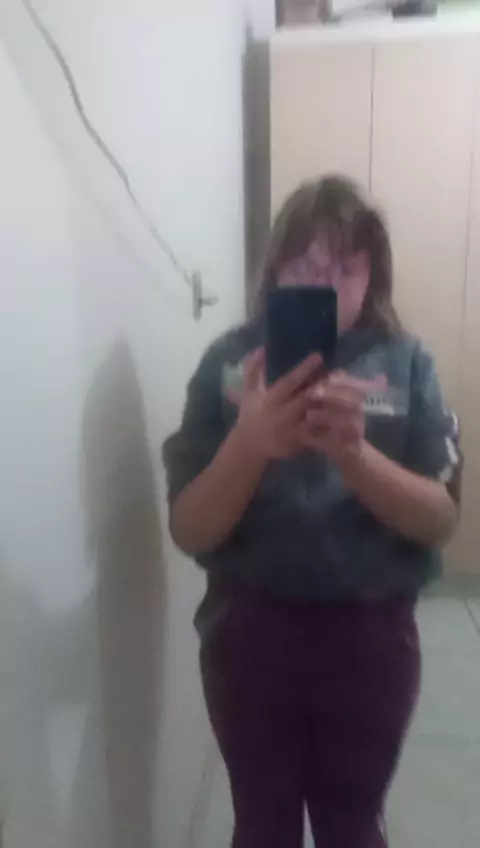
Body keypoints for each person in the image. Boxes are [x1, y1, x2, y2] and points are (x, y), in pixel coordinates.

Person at [163, 176, 462, 848]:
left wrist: (355, 456)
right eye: (305, 264)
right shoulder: (228, 363)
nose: (324, 283)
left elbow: (441, 520)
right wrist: (250, 442)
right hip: (249, 632)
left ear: (372, 275)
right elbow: (189, 527)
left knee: (351, 824)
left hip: (370, 635)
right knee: (262, 826)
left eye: (344, 266)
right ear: (275, 270)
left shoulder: (408, 364)